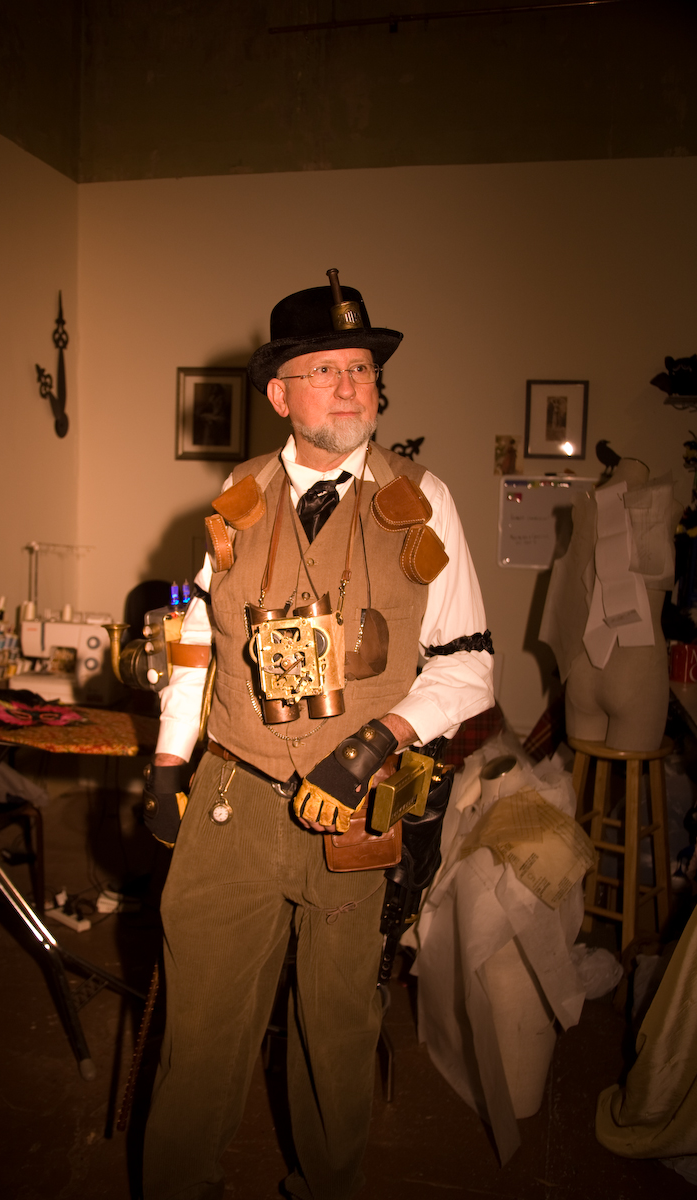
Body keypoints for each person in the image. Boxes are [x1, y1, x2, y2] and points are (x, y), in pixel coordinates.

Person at [142, 270, 495, 1200]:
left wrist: (376, 742)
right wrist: (169, 760)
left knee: (336, 1033)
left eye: (362, 368)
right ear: (280, 394)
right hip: (233, 798)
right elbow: (194, 646)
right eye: (326, 368)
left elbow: (470, 666)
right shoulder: (234, 498)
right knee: (204, 1026)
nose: (349, 385)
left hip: (353, 814)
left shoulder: (425, 502)